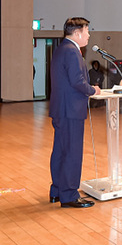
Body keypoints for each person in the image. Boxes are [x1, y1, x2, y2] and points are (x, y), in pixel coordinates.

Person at [48, 17, 101, 209]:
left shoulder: (62, 48)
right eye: (87, 31)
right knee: (71, 152)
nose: (88, 35)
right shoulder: (72, 52)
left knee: (61, 151)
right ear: (77, 33)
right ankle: (69, 195)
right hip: (70, 110)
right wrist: (93, 90)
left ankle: (57, 190)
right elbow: (77, 82)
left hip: (62, 109)